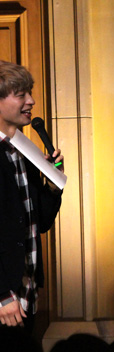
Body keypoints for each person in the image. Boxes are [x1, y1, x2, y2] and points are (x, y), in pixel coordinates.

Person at [0, 60, 63, 332]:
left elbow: (40, 222)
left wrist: (53, 185)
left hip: (26, 293)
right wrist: (2, 295)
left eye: (30, 93)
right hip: (5, 300)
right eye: (21, 94)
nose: (31, 101)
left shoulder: (24, 151)